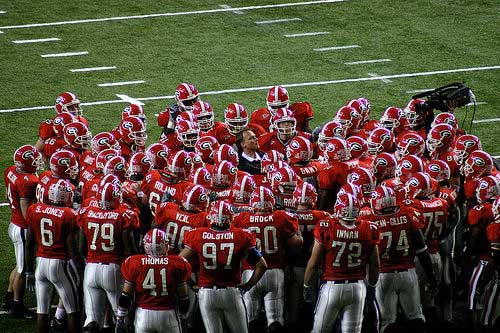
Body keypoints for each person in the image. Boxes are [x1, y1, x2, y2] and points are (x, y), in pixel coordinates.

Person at [180, 200, 268, 333]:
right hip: (231, 292)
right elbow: (262, 265)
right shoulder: (241, 235)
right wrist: (248, 285)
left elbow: (180, 263)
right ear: (230, 218)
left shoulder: (197, 234)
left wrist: (191, 284)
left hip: (206, 292)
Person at [303, 193, 380, 333]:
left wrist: (306, 285)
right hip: (357, 287)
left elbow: (314, 262)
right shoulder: (368, 228)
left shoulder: (326, 226)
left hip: (332, 287)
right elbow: (375, 264)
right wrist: (372, 286)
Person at [78, 183, 139, 331]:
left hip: (91, 268)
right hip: (113, 269)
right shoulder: (123, 214)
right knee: (121, 317)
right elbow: (129, 248)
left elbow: (81, 248)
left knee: (91, 319)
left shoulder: (86, 212)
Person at [25, 180, 81, 333]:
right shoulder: (68, 214)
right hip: (59, 264)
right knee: (72, 309)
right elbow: (72, 248)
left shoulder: (35, 209)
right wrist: (78, 269)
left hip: (40, 263)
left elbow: (29, 244)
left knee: (42, 311)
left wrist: (29, 270)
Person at [117, 229, 192, 333]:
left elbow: (125, 296)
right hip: (168, 315)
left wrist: (120, 318)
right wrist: (184, 318)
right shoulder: (177, 263)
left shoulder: (134, 262)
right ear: (165, 245)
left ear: (146, 246)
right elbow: (184, 298)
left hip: (143, 316)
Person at [3, 145, 43, 318]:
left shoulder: (11, 171)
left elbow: (7, 195)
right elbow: (27, 211)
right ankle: (17, 305)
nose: (38, 162)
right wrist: (36, 228)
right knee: (23, 268)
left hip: (14, 223)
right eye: (35, 160)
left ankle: (9, 297)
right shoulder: (28, 181)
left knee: (19, 264)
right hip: (22, 228)